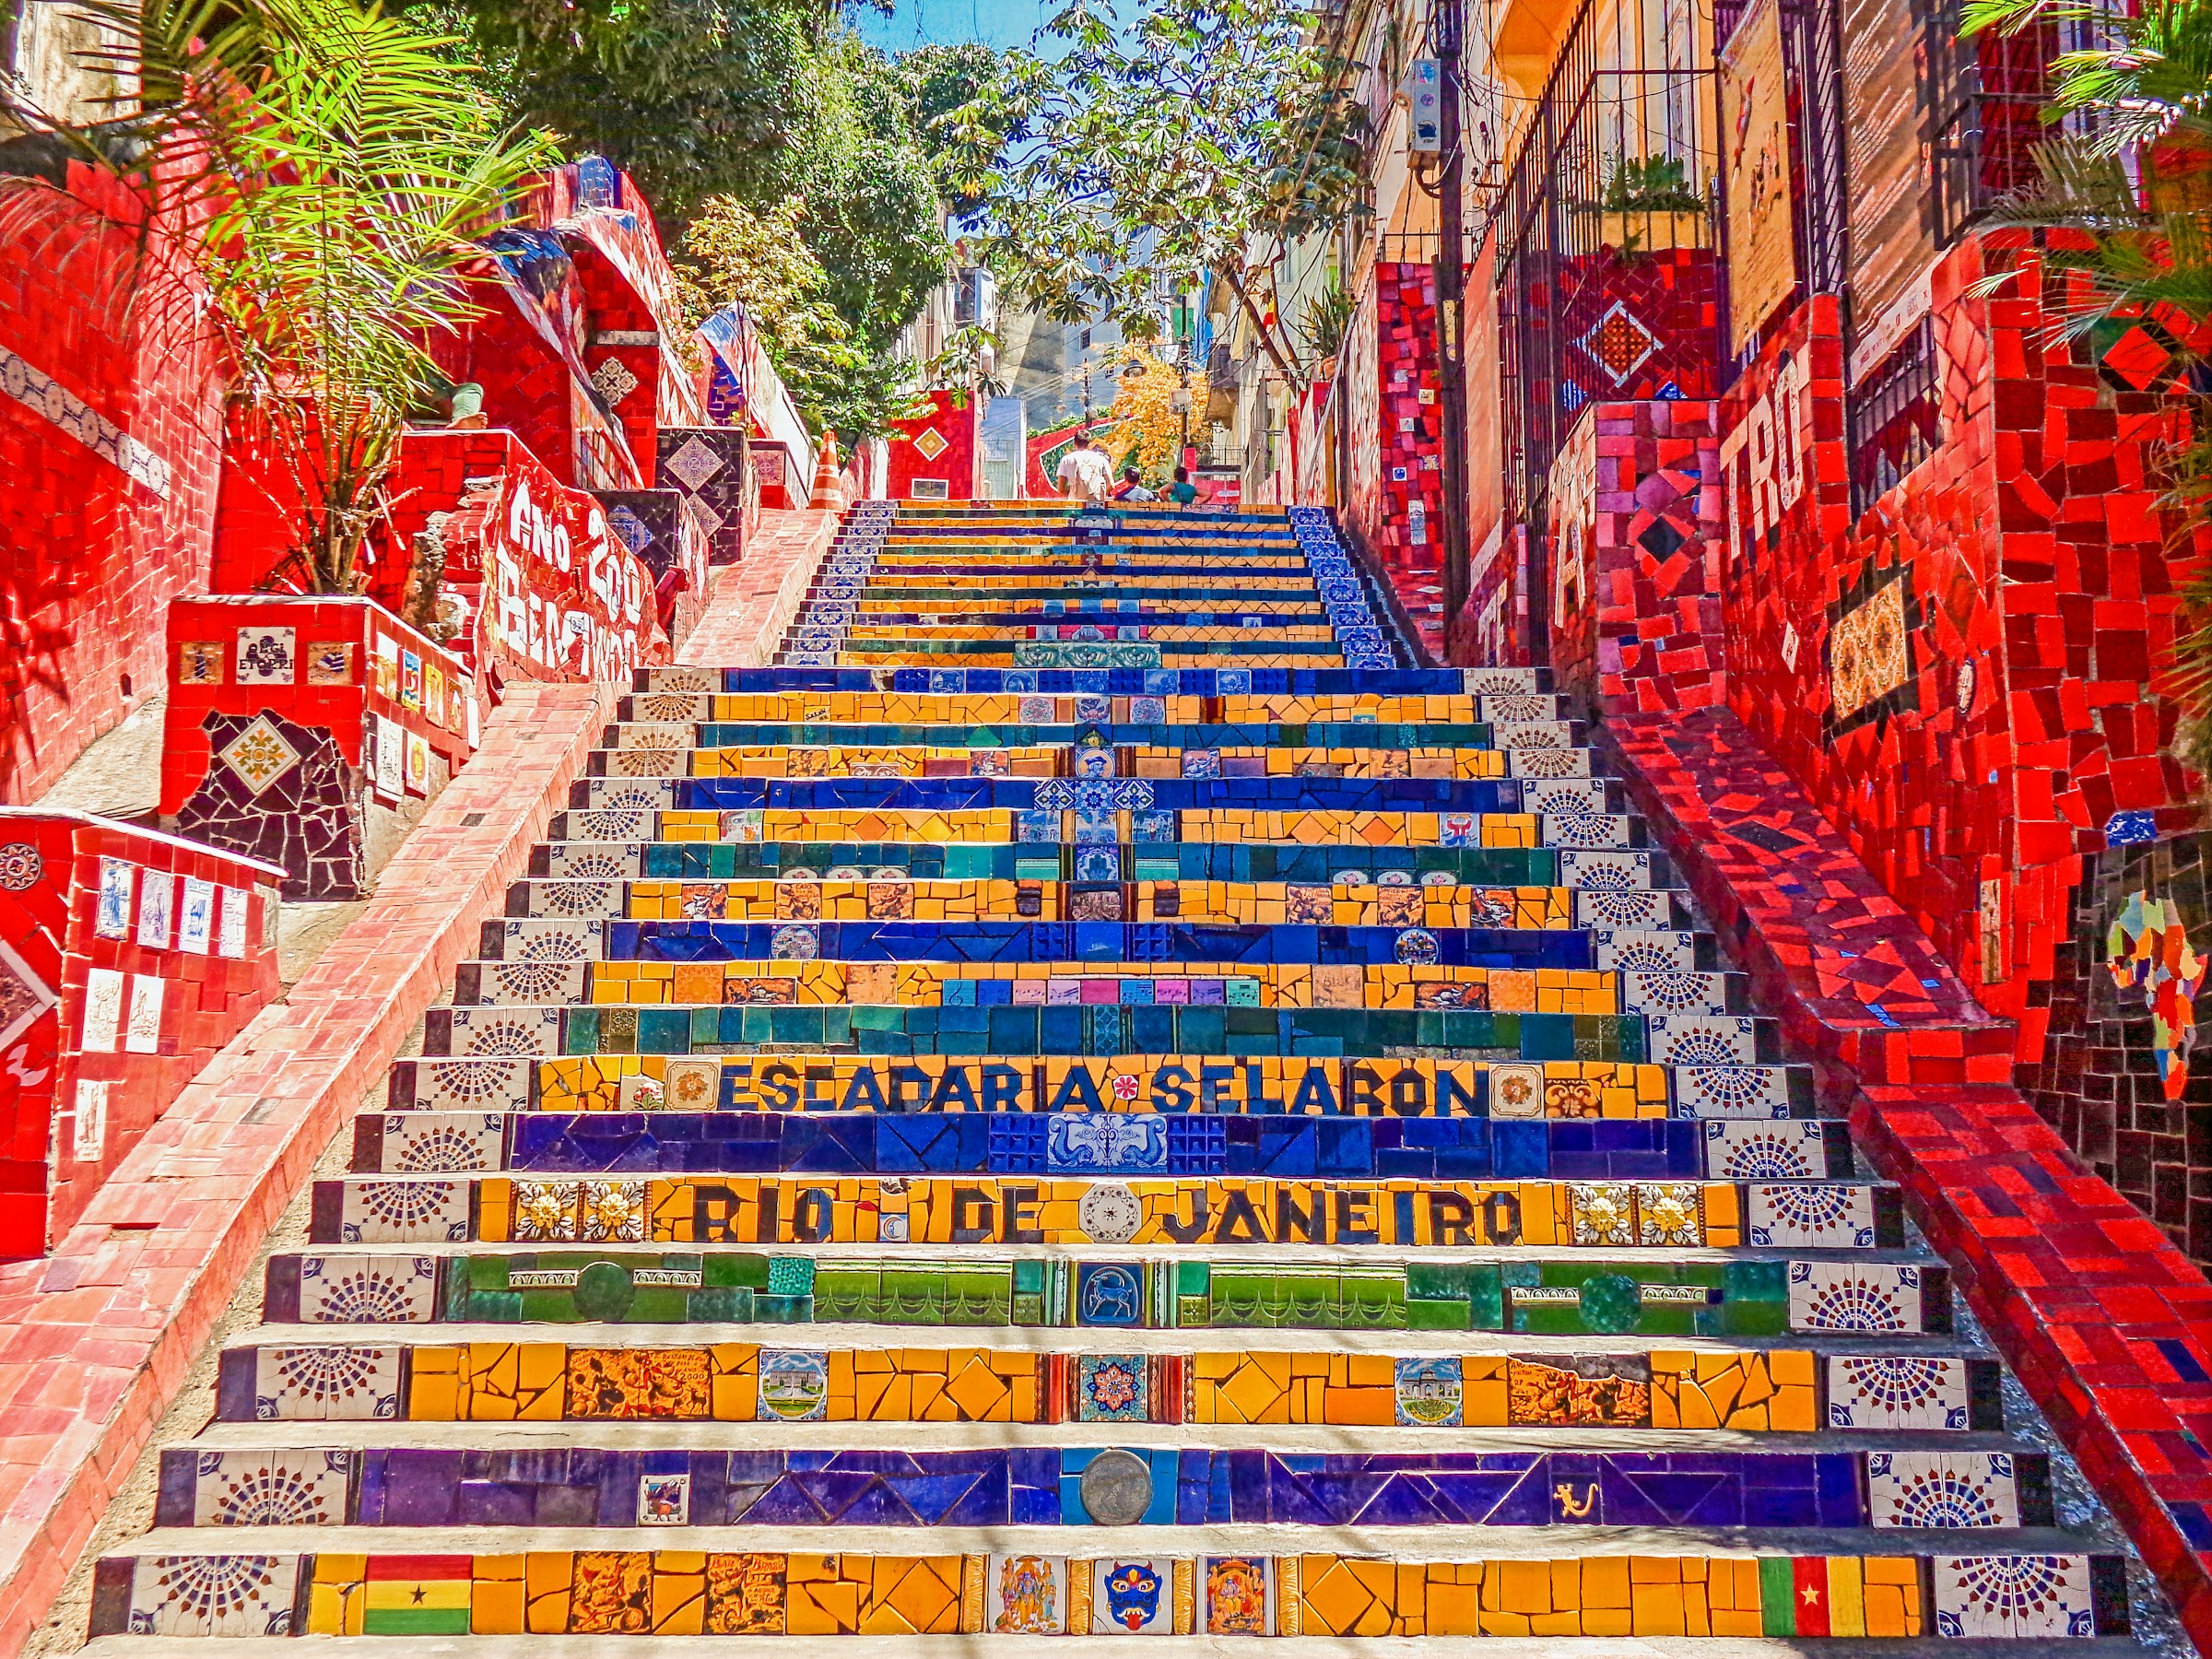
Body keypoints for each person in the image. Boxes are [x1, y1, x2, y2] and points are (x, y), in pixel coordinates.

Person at [1055, 434, 1112, 504]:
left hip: (1075, 505)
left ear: (1075, 444)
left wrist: (1073, 494)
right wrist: (1098, 495)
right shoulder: (1101, 459)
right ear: (1089, 444)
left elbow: (1061, 488)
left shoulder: (1066, 459)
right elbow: (1111, 484)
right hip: (1096, 505)